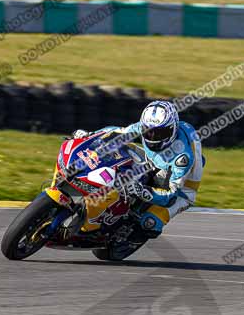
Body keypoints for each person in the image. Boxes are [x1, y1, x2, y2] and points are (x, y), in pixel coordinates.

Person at [72, 100, 204, 239]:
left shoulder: (183, 157)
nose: (152, 137)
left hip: (181, 190)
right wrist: (90, 135)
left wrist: (141, 191)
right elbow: (116, 132)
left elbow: (170, 196)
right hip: (154, 162)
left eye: (159, 133)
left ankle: (127, 235)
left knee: (149, 223)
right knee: (118, 154)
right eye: (148, 132)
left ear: (172, 130)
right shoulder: (145, 126)